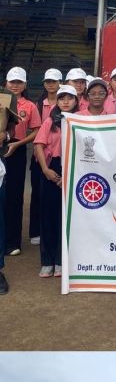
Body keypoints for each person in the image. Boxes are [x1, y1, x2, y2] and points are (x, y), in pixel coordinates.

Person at [33, 84, 76, 277]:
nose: (65, 102)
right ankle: (47, 260)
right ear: (57, 101)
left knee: (65, 216)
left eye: (69, 98)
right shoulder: (50, 121)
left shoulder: (80, 119)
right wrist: (45, 170)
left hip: (72, 169)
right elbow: (38, 145)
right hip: (52, 169)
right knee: (48, 215)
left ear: (76, 100)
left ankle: (60, 259)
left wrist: (69, 173)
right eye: (62, 98)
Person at [3, 65, 41, 257]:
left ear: (25, 84)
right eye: (12, 82)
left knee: (15, 196)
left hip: (16, 151)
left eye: (19, 82)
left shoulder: (30, 106)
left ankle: (12, 242)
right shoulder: (1, 101)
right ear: (6, 83)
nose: (15, 86)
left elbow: (36, 130)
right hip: (1, 147)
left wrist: (18, 144)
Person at [33, 68, 62, 245]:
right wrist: (44, 167)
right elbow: (38, 138)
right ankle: (38, 233)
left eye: (54, 81)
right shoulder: (38, 104)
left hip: (67, 162)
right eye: (48, 82)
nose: (50, 85)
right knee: (41, 197)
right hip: (44, 160)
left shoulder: (77, 115)